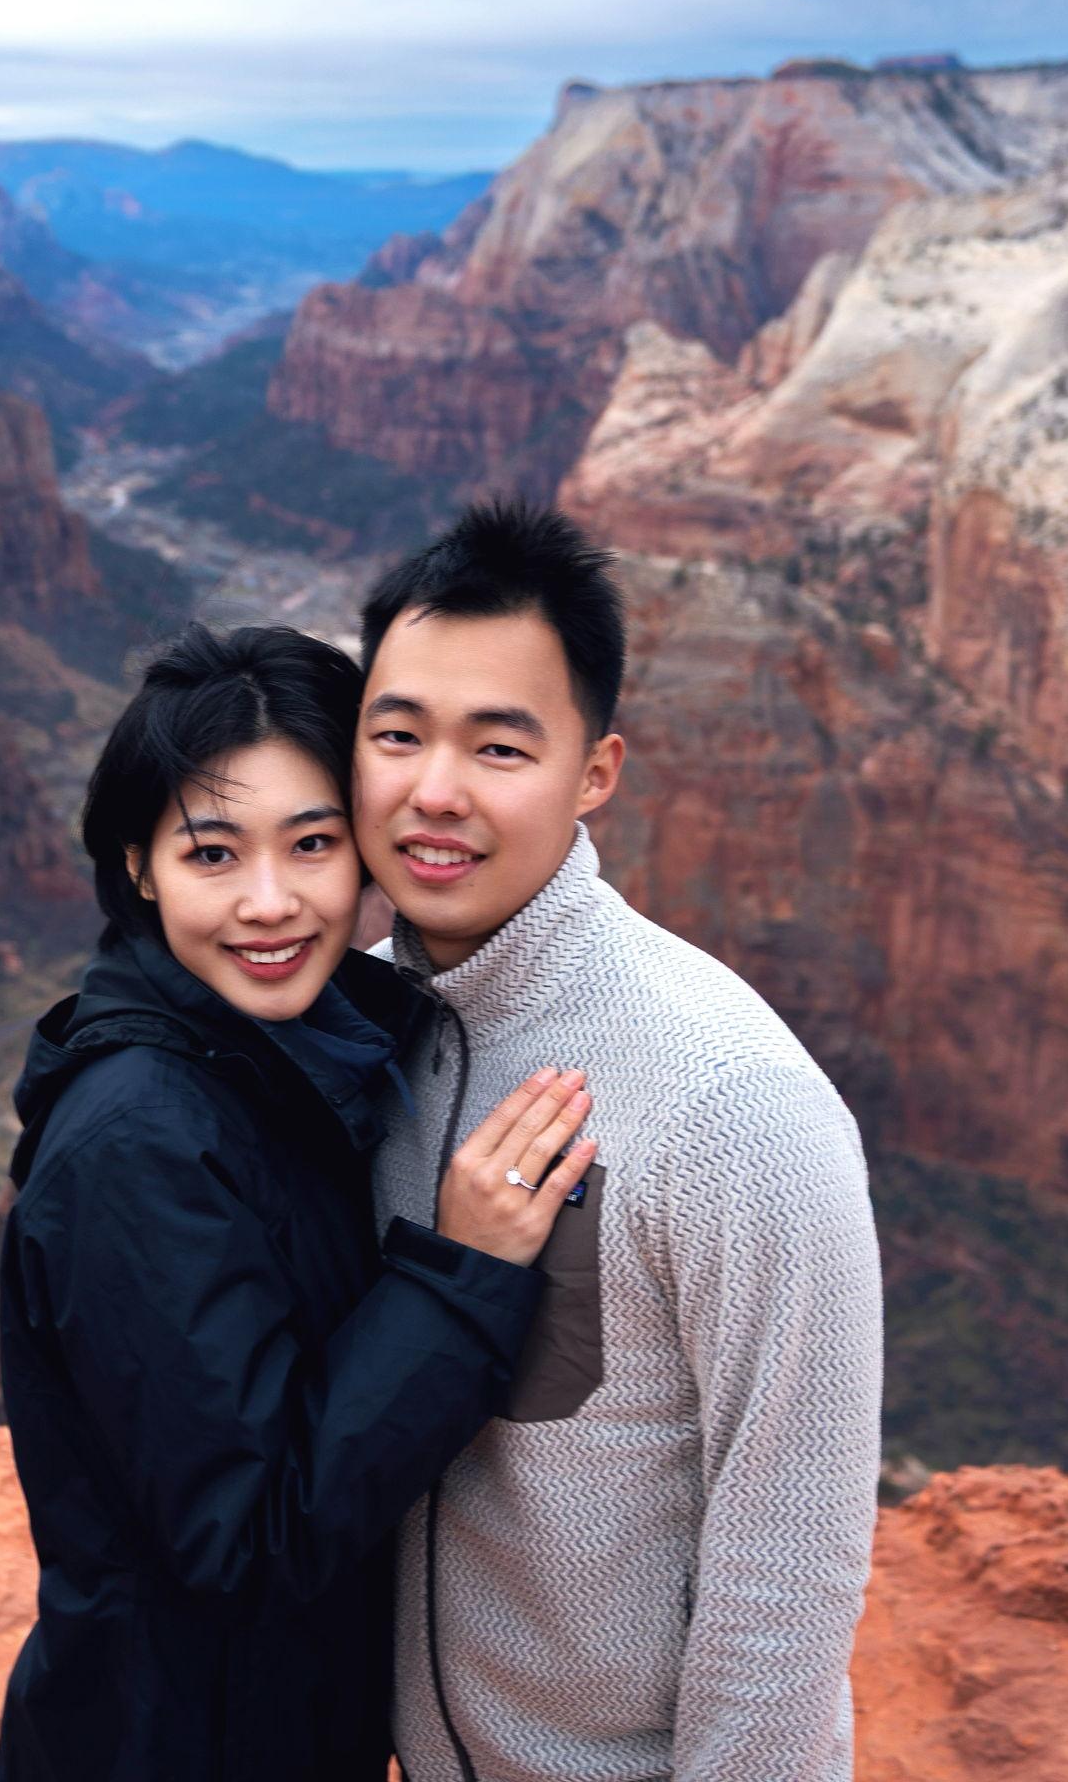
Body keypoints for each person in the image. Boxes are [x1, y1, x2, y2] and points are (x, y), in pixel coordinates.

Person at [0, 622, 600, 1782]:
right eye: (211, 855)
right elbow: (250, 1535)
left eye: (312, 843)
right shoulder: (138, 1143)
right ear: (136, 864)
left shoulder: (284, 1049)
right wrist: (457, 1273)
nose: (268, 904)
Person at [354, 501, 884, 1782]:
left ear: (594, 772)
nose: (434, 791)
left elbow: (789, 1570)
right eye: (397, 733)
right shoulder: (349, 1039)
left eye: (498, 746)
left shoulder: (731, 1102)